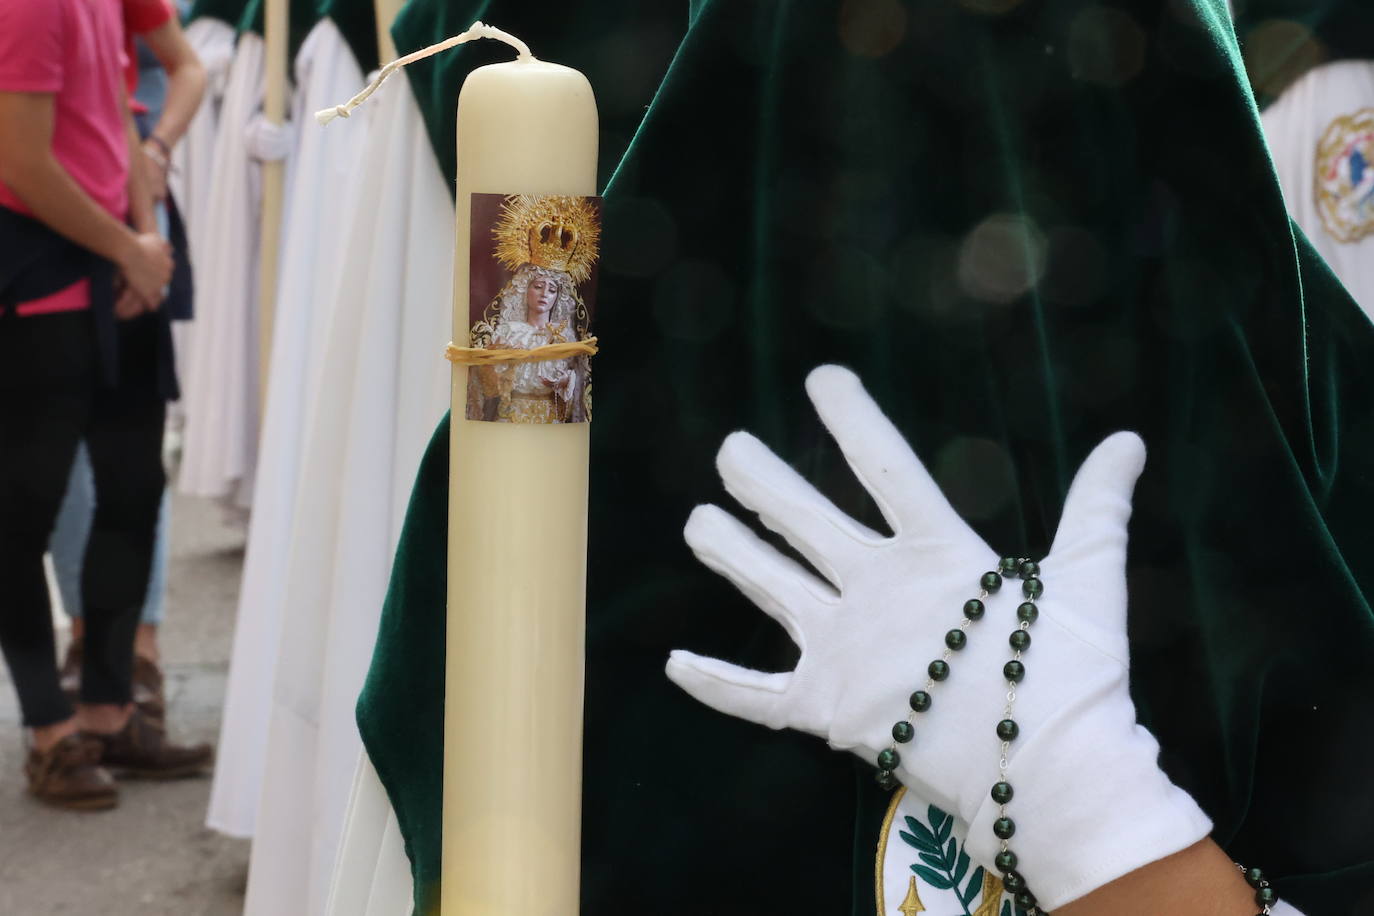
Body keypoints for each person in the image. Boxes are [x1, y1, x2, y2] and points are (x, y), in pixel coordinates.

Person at [0, 0, 212, 811]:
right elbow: (22, 162)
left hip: (116, 255)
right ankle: (51, 734)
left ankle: (109, 709)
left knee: (132, 491)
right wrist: (127, 247)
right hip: (39, 271)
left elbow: (119, 111)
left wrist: (144, 242)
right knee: (25, 512)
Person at [50, 0, 207, 724]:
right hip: (45, 214)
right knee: (62, 453)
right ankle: (87, 642)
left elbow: (186, 67)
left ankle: (137, 648)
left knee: (133, 451)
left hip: (136, 211)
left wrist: (159, 148)